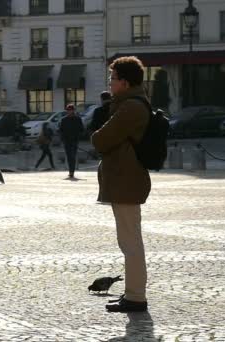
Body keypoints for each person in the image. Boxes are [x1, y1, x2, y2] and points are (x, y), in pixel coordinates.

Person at [92, 56, 151, 313]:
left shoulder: (131, 108)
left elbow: (101, 139)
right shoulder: (129, 104)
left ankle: (136, 297)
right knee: (129, 241)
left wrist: (98, 134)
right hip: (125, 178)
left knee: (130, 243)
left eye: (112, 78)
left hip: (126, 180)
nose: (110, 82)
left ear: (125, 83)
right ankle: (133, 294)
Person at [59, 104, 84, 178]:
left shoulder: (78, 119)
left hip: (75, 140)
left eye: (71, 110)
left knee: (73, 156)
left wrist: (78, 135)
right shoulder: (64, 120)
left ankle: (72, 171)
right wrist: (62, 139)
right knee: (69, 156)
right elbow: (61, 130)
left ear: (73, 110)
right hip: (66, 141)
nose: (69, 111)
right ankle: (71, 171)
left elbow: (81, 129)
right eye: (68, 110)